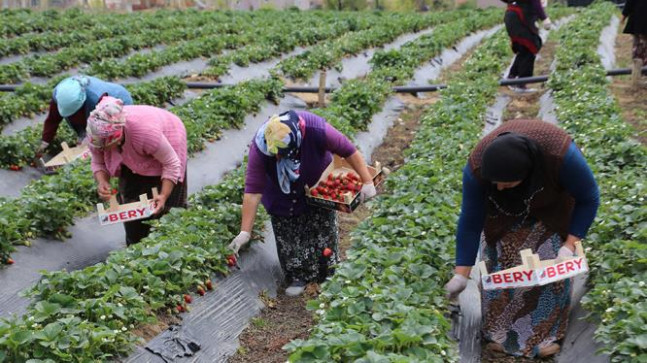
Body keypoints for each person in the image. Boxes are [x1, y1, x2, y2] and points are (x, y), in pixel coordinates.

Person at [445, 119, 599, 358]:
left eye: (507, 182)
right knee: (498, 265)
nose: (500, 188)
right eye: (495, 183)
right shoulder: (477, 169)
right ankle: (499, 335)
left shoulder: (559, 155)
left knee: (547, 266)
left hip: (551, 207)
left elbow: (589, 198)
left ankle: (544, 337)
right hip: (501, 214)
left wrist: (569, 246)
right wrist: (461, 274)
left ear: (527, 173)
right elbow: (470, 221)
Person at [228, 110, 377, 297]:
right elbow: (253, 191)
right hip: (279, 194)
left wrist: (367, 181)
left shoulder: (316, 129)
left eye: (283, 155)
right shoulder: (261, 146)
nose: (279, 159)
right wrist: (245, 231)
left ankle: (328, 273)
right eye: (276, 155)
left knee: (322, 229)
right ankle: (298, 276)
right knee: (289, 235)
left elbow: (348, 150)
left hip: (315, 183)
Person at [87, 96, 188, 246]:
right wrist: (102, 181)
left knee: (167, 211)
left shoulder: (145, 133)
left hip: (169, 134)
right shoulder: (96, 134)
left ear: (115, 137)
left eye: (103, 146)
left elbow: (171, 163)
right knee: (132, 203)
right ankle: (135, 246)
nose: (100, 149)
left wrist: (163, 195)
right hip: (134, 147)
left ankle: (170, 244)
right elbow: (98, 161)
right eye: (98, 145)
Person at [36, 75, 134, 158]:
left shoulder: (96, 99)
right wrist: (45, 141)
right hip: (88, 110)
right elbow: (53, 119)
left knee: (109, 142)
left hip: (117, 103)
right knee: (85, 144)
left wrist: (88, 142)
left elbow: (98, 130)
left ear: (82, 103)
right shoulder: (60, 94)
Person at [504, 0, 552, 92]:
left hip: (511, 16)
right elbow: (535, 2)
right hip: (520, 17)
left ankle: (512, 76)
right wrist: (544, 18)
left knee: (524, 48)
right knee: (530, 46)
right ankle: (521, 82)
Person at [621, 0, 647, 86]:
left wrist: (624, 16)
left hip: (639, 21)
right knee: (640, 47)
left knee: (638, 48)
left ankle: (637, 77)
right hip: (640, 19)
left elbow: (630, 3)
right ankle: (639, 76)